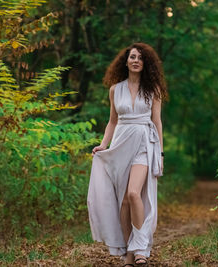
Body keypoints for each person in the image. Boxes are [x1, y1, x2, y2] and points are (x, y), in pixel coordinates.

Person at [87, 42, 167, 266]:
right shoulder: (115, 89)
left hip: (144, 143)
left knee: (134, 194)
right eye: (132, 57)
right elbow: (112, 122)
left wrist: (160, 153)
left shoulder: (153, 90)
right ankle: (128, 253)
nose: (136, 61)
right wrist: (104, 145)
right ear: (126, 61)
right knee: (123, 202)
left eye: (140, 58)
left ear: (146, 63)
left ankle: (141, 248)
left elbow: (157, 122)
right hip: (121, 144)